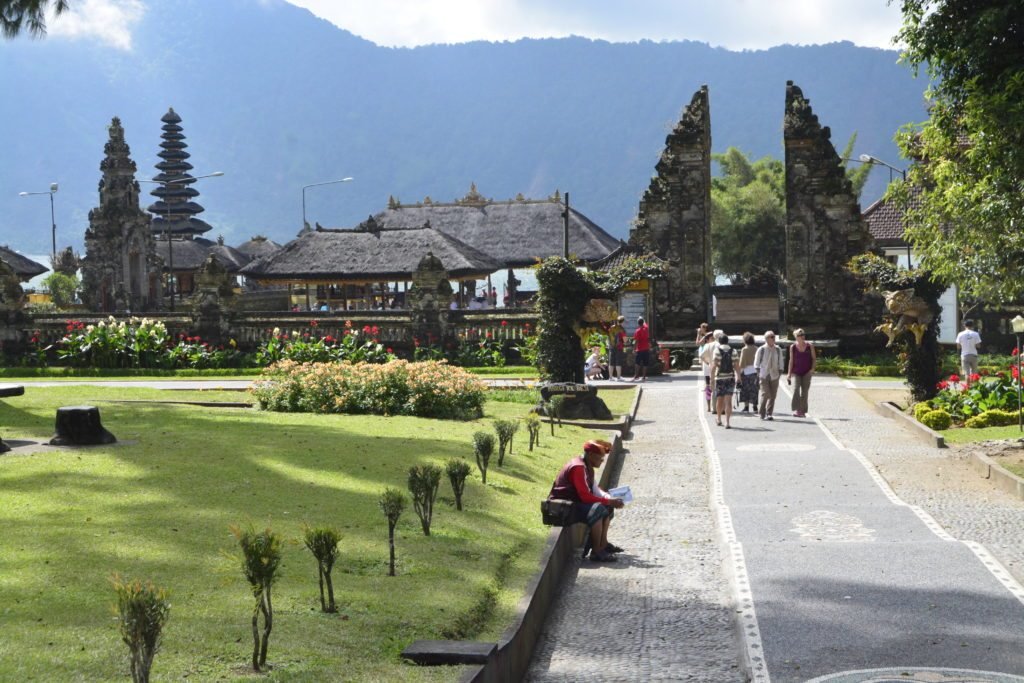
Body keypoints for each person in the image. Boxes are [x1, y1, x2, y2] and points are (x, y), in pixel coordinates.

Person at [547, 440, 625, 562]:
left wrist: (609, 499)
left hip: (575, 502)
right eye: (600, 458)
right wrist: (608, 501)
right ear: (590, 455)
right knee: (597, 510)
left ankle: (603, 544)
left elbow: (594, 489)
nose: (602, 461)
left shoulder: (588, 467)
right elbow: (585, 496)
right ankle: (596, 551)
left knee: (607, 508)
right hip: (564, 505)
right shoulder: (578, 468)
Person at [754, 330, 784, 421]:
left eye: (774, 336)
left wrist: (780, 373)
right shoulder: (761, 349)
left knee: (773, 395)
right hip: (764, 374)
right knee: (765, 393)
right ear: (766, 339)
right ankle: (762, 412)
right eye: (771, 337)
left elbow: (781, 362)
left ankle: (769, 413)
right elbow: (756, 363)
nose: (773, 338)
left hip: (775, 374)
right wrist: (759, 373)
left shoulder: (778, 349)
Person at [787, 328, 816, 417]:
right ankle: (797, 409)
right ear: (796, 337)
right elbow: (791, 361)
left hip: (807, 371)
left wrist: (812, 369)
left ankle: (802, 411)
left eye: (803, 334)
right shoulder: (793, 347)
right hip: (796, 372)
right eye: (800, 335)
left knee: (805, 392)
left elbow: (814, 358)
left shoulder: (809, 346)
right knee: (796, 389)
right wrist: (789, 374)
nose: (802, 336)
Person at [712, 334, 738, 428]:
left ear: (719, 341)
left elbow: (714, 364)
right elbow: (736, 365)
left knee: (720, 400)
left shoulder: (717, 350)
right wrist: (738, 376)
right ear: (728, 341)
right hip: (730, 378)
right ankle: (727, 422)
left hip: (720, 378)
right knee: (728, 401)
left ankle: (719, 419)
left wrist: (712, 379)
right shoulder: (734, 351)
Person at [956, 319, 982, 386]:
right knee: (974, 374)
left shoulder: (960, 334)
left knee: (967, 374)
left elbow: (958, 346)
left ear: (964, 325)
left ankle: (967, 388)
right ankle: (974, 388)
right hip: (973, 355)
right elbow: (978, 346)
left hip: (965, 355)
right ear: (973, 325)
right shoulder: (976, 334)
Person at [737, 332, 759, 412]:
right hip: (755, 371)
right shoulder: (757, 348)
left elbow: (742, 363)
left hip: (746, 371)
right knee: (754, 389)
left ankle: (746, 407)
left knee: (745, 390)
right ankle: (755, 406)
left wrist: (739, 374)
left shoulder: (744, 349)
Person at [697, 331, 716, 412]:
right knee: (708, 387)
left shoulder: (715, 345)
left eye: (713, 338)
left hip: (715, 369)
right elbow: (701, 356)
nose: (713, 339)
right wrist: (707, 363)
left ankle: (714, 405)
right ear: (707, 340)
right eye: (711, 338)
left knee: (715, 387)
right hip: (708, 370)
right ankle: (708, 405)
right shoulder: (706, 346)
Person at [631, 316, 651, 382]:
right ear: (643, 322)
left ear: (638, 323)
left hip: (639, 349)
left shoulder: (637, 331)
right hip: (646, 348)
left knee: (637, 363)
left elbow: (636, 341)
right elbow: (645, 324)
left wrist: (634, 349)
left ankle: (636, 375)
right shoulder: (646, 329)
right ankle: (644, 377)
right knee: (645, 363)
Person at [608, 316, 627, 381]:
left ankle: (610, 377)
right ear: (623, 322)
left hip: (611, 347)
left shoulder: (611, 327)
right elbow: (625, 340)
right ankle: (618, 377)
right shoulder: (621, 329)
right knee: (618, 362)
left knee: (611, 362)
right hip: (619, 347)